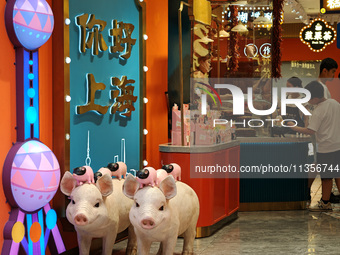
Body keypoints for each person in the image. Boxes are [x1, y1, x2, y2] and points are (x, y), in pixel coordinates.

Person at [288, 81, 340, 211]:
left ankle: (325, 203)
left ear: (315, 98)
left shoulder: (318, 110)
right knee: (337, 175)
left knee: (326, 177)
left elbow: (311, 130)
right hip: (337, 145)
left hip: (325, 148)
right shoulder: (335, 103)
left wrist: (294, 127)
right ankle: (325, 202)